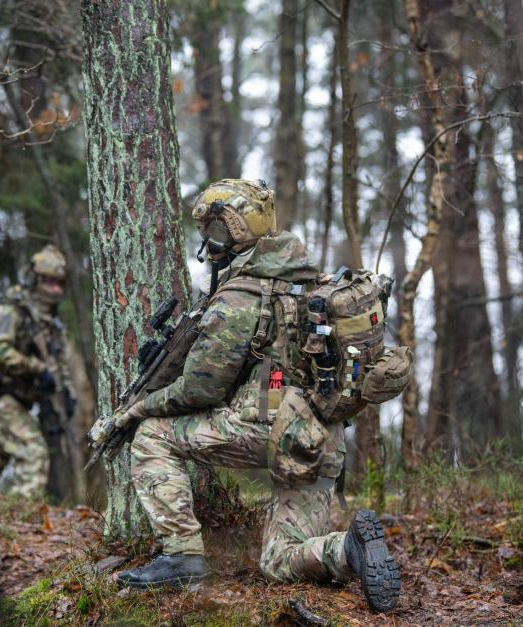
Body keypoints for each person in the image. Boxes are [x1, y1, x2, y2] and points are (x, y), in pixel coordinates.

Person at [110, 179, 401, 612]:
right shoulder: (310, 281)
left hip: (266, 430)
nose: (209, 243)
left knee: (152, 433)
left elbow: (200, 388)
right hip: (320, 440)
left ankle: (181, 555)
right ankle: (347, 549)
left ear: (234, 231)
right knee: (280, 558)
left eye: (214, 231)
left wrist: (138, 408)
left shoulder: (240, 297)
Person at [0, 244, 76, 499]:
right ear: (35, 280)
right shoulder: (11, 309)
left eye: (60, 283)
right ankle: (21, 515)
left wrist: (66, 394)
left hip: (19, 399)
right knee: (33, 451)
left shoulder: (51, 324)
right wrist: (35, 367)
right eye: (49, 282)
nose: (56, 290)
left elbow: (58, 365)